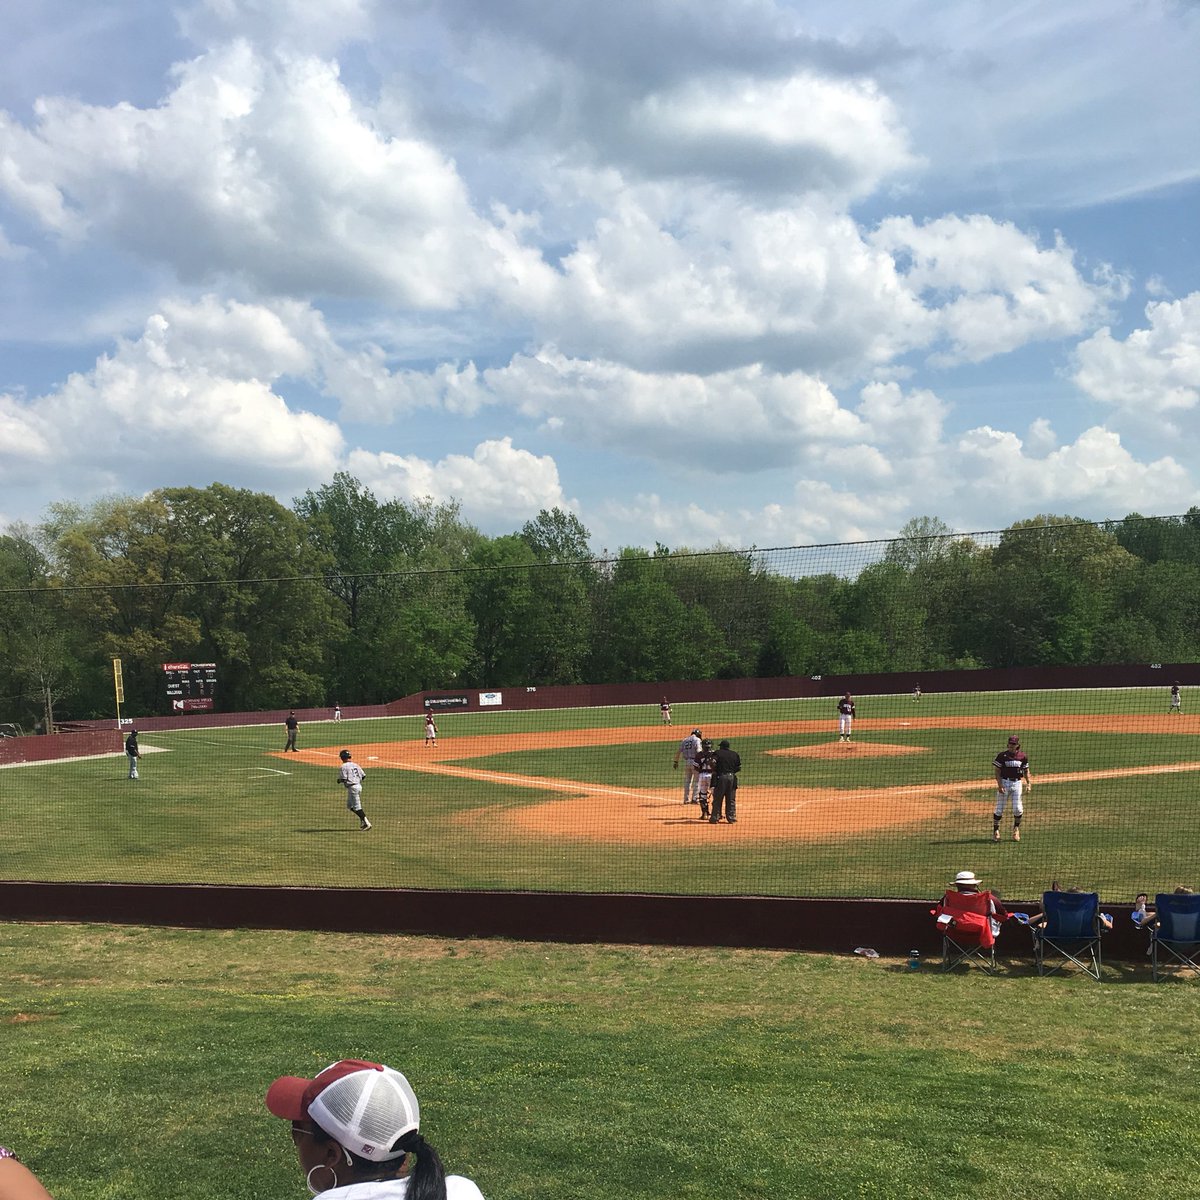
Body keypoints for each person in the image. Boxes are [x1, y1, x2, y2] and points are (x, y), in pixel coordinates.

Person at [266, 1058, 485, 1199]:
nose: (295, 1139)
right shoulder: (460, 1192)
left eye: (297, 1131)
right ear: (404, 1155)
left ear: (332, 1154)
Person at [992, 734, 1031, 842]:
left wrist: (1029, 783)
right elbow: (997, 771)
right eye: (1010, 743)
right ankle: (996, 831)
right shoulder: (1002, 756)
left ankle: (1016, 829)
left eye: (1013, 744)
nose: (1011, 746)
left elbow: (1026, 770)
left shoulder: (1023, 756)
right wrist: (1000, 785)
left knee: (1017, 809)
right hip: (1004, 782)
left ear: (1017, 745)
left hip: (1017, 784)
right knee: (999, 809)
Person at [709, 738, 741, 824]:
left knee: (718, 798)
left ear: (722, 747)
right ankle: (731, 818)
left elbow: (712, 762)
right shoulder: (735, 754)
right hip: (732, 778)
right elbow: (738, 767)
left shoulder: (717, 753)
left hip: (721, 777)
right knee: (731, 799)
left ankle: (715, 818)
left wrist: (715, 770)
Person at [338, 749, 371, 831]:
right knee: (350, 806)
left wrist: (339, 780)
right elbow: (363, 776)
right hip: (358, 786)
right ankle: (362, 820)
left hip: (353, 788)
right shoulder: (356, 765)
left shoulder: (343, 766)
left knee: (357, 807)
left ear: (342, 758)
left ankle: (367, 823)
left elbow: (344, 779)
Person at [672, 728, 703, 804]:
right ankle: (695, 799)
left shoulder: (684, 740)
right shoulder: (697, 740)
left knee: (687, 781)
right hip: (695, 762)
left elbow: (678, 752)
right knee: (697, 781)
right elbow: (699, 751)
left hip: (687, 762)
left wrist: (676, 762)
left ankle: (686, 799)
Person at [694, 738, 715, 820]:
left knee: (702, 795)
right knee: (716, 795)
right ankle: (716, 814)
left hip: (702, 775)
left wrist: (701, 771)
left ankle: (705, 814)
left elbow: (696, 767)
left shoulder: (699, 754)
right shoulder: (714, 754)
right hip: (712, 776)